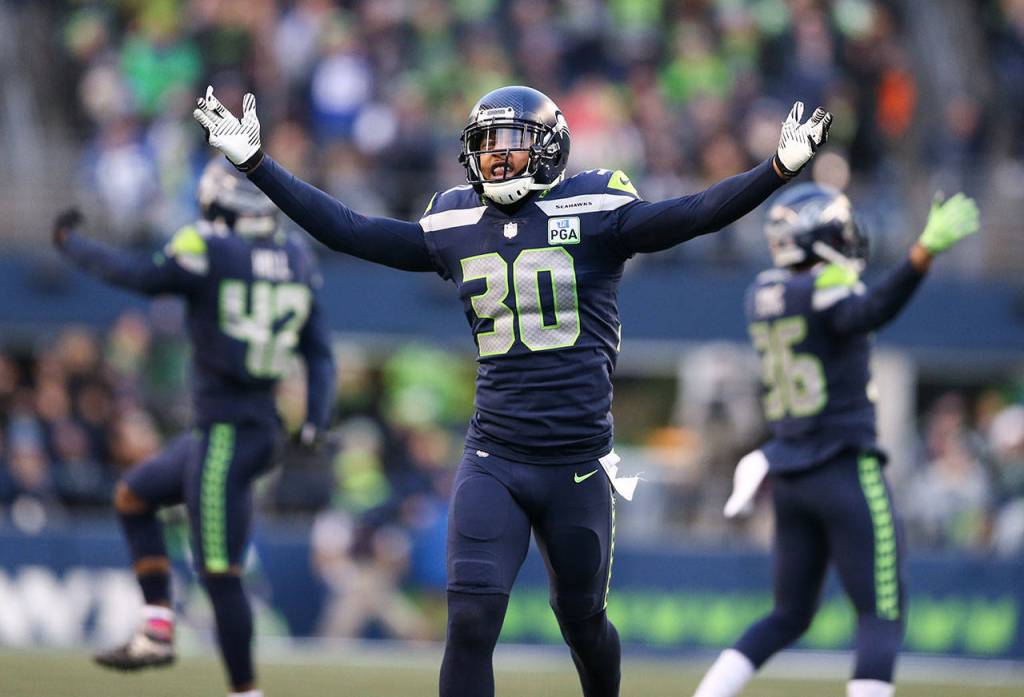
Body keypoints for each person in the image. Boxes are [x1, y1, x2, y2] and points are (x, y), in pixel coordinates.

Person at [193, 84, 831, 697]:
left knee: (583, 623)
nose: (496, 156)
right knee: (470, 619)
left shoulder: (595, 207)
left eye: (511, 143)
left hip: (577, 463)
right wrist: (256, 164)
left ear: (549, 148)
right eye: (486, 143)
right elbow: (351, 231)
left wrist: (776, 169)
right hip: (494, 455)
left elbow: (694, 214)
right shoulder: (455, 220)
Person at [52, 159, 336, 697]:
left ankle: (245, 692)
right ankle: (158, 628)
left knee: (219, 573)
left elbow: (138, 276)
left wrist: (72, 244)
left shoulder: (207, 247)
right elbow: (319, 353)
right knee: (134, 496)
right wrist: (315, 420)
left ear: (216, 204)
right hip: (253, 427)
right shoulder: (296, 256)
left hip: (227, 431)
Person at [694, 185, 980, 697]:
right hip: (844, 467)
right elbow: (869, 311)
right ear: (821, 237)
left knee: (788, 614)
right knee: (881, 612)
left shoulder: (762, 292)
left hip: (790, 473)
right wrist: (921, 254)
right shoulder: (826, 289)